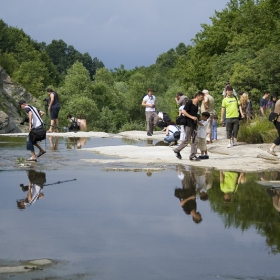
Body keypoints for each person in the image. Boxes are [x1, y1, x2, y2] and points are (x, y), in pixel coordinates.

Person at [173, 91, 205, 160]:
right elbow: (183, 111)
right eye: (202, 97)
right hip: (188, 124)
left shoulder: (197, 104)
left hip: (194, 124)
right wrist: (191, 117)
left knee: (195, 140)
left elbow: (195, 115)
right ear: (198, 96)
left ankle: (192, 155)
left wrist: (198, 122)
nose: (202, 99)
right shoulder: (190, 102)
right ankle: (177, 150)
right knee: (187, 139)